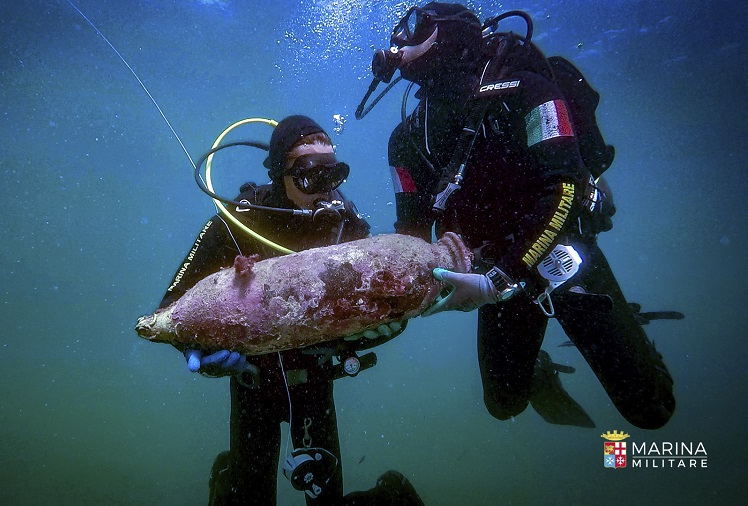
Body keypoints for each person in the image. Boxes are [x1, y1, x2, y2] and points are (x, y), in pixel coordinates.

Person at [365, 3, 675, 430]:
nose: (398, 39)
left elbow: (563, 188)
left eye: (414, 25)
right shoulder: (405, 141)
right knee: (503, 404)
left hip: (560, 256)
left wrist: (498, 280)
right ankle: (541, 370)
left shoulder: (527, 90)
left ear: (452, 32)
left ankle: (631, 336)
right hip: (494, 275)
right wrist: (392, 294)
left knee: (652, 410)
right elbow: (412, 234)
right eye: (398, 30)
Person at [156, 115, 424, 505]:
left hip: (314, 382)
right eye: (311, 176)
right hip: (252, 385)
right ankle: (226, 479)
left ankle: (391, 496)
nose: (325, 190)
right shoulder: (235, 224)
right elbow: (171, 306)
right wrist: (196, 349)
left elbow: (381, 299)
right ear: (280, 173)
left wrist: (382, 328)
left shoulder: (345, 228)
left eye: (333, 175)